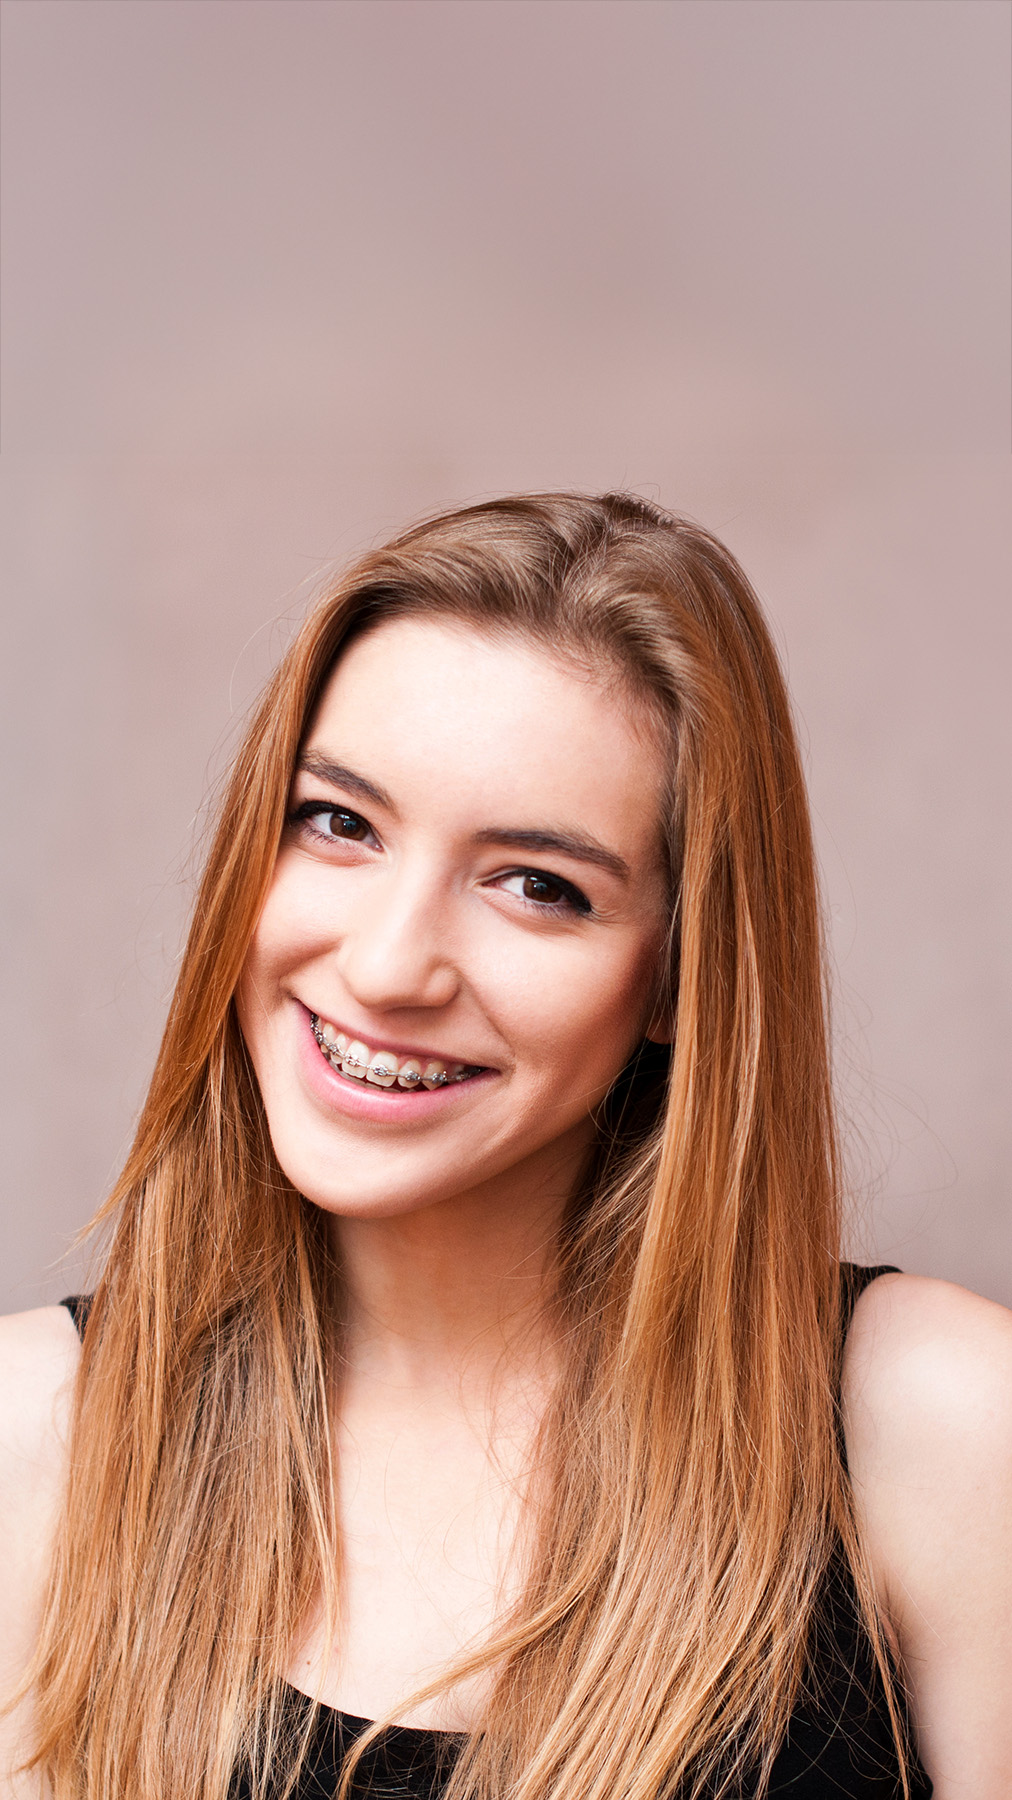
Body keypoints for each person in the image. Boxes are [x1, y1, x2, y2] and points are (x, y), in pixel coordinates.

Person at [1, 492, 1009, 1800]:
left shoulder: (945, 1428)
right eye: (340, 823)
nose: (386, 963)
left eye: (538, 885)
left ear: (675, 982)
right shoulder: (35, 1441)